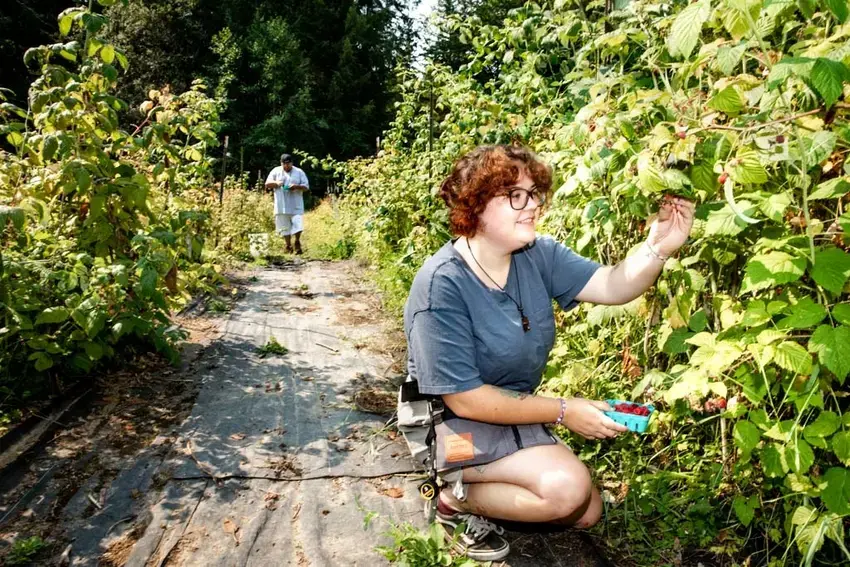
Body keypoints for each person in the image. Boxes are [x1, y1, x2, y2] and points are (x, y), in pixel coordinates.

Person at [403, 144, 695, 561]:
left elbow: (613, 285)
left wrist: (658, 248)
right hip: (452, 427)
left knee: (586, 511)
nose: (533, 205)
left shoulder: (536, 255)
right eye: (515, 195)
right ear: (476, 205)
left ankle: (497, 485)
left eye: (535, 193)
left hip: (511, 411)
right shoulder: (441, 285)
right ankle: (453, 500)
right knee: (566, 490)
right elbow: (464, 397)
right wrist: (564, 410)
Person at [264, 153, 310, 254]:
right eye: (284, 164)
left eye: (288, 164)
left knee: (298, 225)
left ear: (292, 163)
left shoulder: (299, 172)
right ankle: (288, 245)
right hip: (281, 205)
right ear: (281, 163)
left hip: (296, 204)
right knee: (284, 227)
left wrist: (296, 186)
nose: (286, 166)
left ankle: (297, 242)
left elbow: (306, 187)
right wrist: (276, 183)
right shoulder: (276, 171)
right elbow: (267, 184)